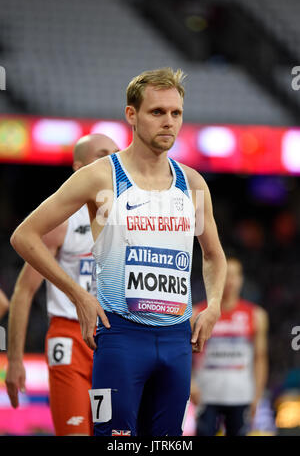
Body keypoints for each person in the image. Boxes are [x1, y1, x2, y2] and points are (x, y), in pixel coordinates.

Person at [10, 67, 227, 437]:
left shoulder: (192, 182)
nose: (169, 122)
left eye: (176, 113)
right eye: (157, 112)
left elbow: (213, 255)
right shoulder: (100, 176)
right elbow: (24, 235)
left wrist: (215, 305)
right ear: (132, 115)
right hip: (120, 339)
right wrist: (78, 294)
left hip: (177, 340)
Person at [5, 134, 119, 436]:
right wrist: (14, 361)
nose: (112, 162)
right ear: (79, 168)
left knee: (115, 436)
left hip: (118, 337)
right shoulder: (63, 221)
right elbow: (24, 291)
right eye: (102, 155)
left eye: (116, 155)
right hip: (69, 337)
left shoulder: (133, 218)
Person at [191, 256, 269, 436]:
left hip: (241, 395)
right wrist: (191, 384)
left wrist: (257, 395)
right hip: (206, 395)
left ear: (241, 279)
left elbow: (260, 357)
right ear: (216, 277)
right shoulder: (196, 314)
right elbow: (184, 354)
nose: (229, 281)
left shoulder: (256, 315)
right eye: (225, 274)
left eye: (234, 275)